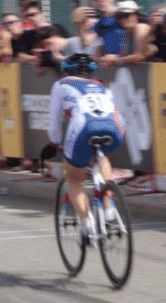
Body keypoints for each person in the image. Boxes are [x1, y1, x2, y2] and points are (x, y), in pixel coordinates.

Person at [47, 53, 124, 244]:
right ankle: (108, 209)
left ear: (66, 70)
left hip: (84, 127)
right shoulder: (102, 85)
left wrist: (56, 143)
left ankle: (87, 222)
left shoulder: (61, 84)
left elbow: (54, 124)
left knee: (74, 177)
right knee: (102, 156)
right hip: (115, 129)